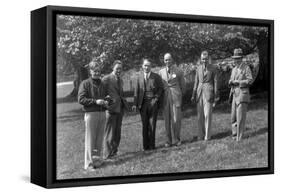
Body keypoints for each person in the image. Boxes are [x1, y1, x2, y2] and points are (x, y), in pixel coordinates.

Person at [78, 61, 108, 171]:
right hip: (91, 114)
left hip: (102, 113)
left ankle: (97, 161)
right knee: (90, 140)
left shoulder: (102, 83)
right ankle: (89, 164)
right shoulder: (85, 83)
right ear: (90, 71)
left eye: (98, 71)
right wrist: (95, 101)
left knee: (99, 139)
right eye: (94, 71)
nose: (97, 73)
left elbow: (106, 96)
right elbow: (81, 99)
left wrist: (107, 101)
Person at [132, 58, 164, 151]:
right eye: (145, 65)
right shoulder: (138, 77)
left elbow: (160, 88)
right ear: (142, 66)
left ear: (151, 67)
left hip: (153, 103)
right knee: (145, 124)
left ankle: (152, 145)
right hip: (143, 104)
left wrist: (156, 98)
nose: (146, 67)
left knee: (152, 124)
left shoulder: (156, 77)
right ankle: (145, 146)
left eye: (148, 66)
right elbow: (136, 92)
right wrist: (135, 104)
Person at [102, 60, 129, 159]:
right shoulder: (106, 79)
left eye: (120, 69)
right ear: (113, 68)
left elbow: (120, 94)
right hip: (110, 109)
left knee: (117, 132)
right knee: (109, 132)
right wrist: (107, 102)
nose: (119, 70)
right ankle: (108, 154)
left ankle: (114, 151)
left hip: (120, 109)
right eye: (117, 68)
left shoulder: (121, 80)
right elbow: (102, 93)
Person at [159, 53, 185, 147]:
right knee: (167, 120)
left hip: (175, 97)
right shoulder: (161, 72)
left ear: (172, 60)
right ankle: (168, 140)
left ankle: (177, 139)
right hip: (165, 98)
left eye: (169, 59)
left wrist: (180, 95)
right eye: (166, 60)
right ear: (164, 61)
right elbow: (160, 87)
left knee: (176, 119)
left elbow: (183, 86)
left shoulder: (178, 71)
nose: (167, 61)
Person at [191, 51, 219, 141]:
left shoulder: (213, 68)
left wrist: (216, 95)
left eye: (206, 59)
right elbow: (196, 82)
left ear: (209, 59)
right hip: (199, 93)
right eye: (203, 59)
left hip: (209, 93)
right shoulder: (198, 68)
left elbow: (216, 82)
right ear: (201, 59)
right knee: (200, 116)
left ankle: (207, 136)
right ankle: (200, 135)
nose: (204, 60)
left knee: (207, 115)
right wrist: (193, 93)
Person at [228, 48, 253, 141]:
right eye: (235, 58)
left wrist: (238, 82)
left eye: (238, 58)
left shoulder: (246, 67)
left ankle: (240, 137)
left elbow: (250, 80)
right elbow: (231, 79)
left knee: (240, 117)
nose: (236, 60)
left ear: (241, 58)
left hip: (242, 94)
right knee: (233, 117)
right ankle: (234, 135)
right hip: (234, 94)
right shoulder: (234, 69)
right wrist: (230, 81)